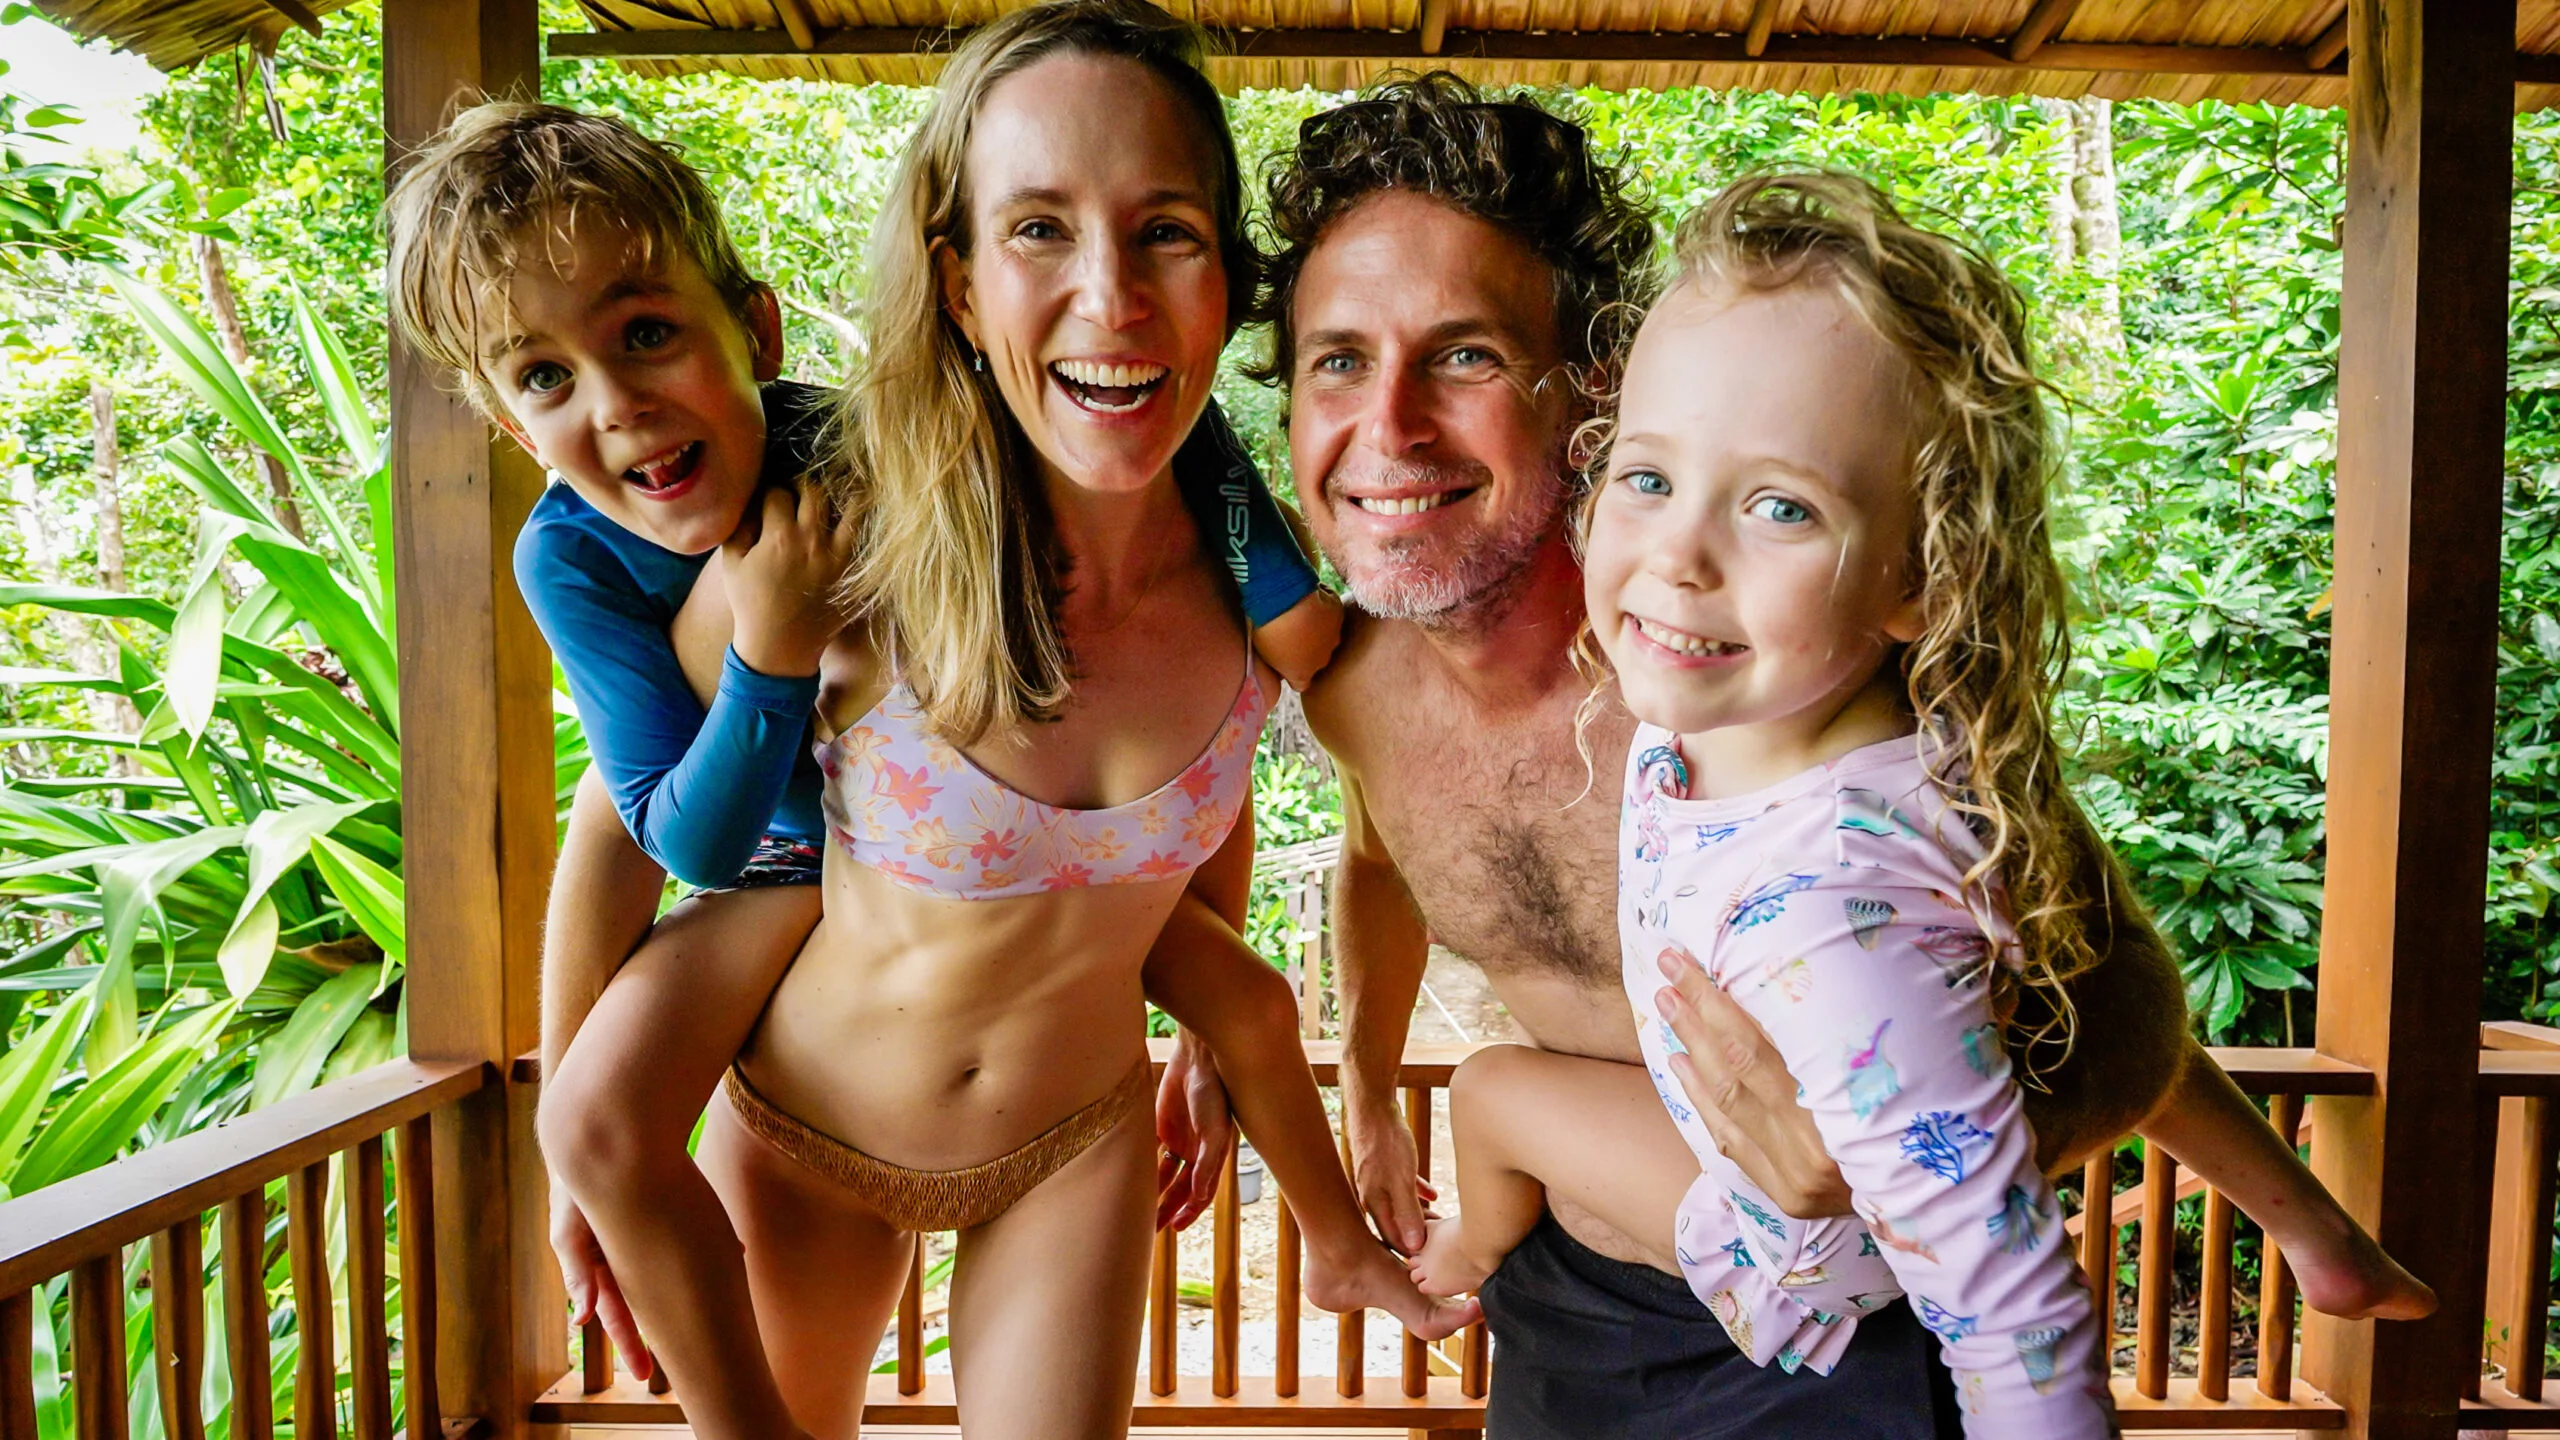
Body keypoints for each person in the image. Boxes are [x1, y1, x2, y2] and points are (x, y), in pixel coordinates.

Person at [1251, 76, 2432, 1439]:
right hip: (1567, 1302)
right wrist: (1371, 1090)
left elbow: (2105, 993)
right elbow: (1382, 858)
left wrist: (1890, 1170)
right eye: (1339, 357)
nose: (1387, 425)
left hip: (1853, 1338)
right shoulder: (1347, 690)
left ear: (1590, 391)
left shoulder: (1772, 681)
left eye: (1461, 356)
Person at [383, 85, 1421, 1440]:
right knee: (594, 1126)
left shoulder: (888, 469)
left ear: (750, 330)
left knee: (1258, 1005)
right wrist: (577, 1153)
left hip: (1064, 1104)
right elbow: (627, 832)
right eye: (545, 380)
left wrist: (1208, 1000)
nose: (624, 408)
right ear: (513, 429)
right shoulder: (606, 562)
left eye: (648, 334)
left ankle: (1334, 1235)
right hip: (781, 937)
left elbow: (1191, 773)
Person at [1412, 169, 2128, 1432]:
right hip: (1760, 1214)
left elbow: (2013, 1308)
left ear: (1920, 579)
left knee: (1488, 1093)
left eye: (1781, 507)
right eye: (1645, 478)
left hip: (1785, 1252)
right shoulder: (1725, 730)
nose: (1679, 555)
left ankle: (1465, 1253)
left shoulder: (1836, 913)